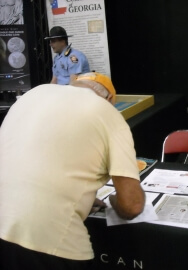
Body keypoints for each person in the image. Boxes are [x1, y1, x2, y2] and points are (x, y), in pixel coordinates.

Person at [0, 72, 145, 269]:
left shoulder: (33, 93)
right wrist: (113, 201)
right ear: (109, 99)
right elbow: (132, 205)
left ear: (74, 83)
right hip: (51, 245)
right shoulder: (106, 112)